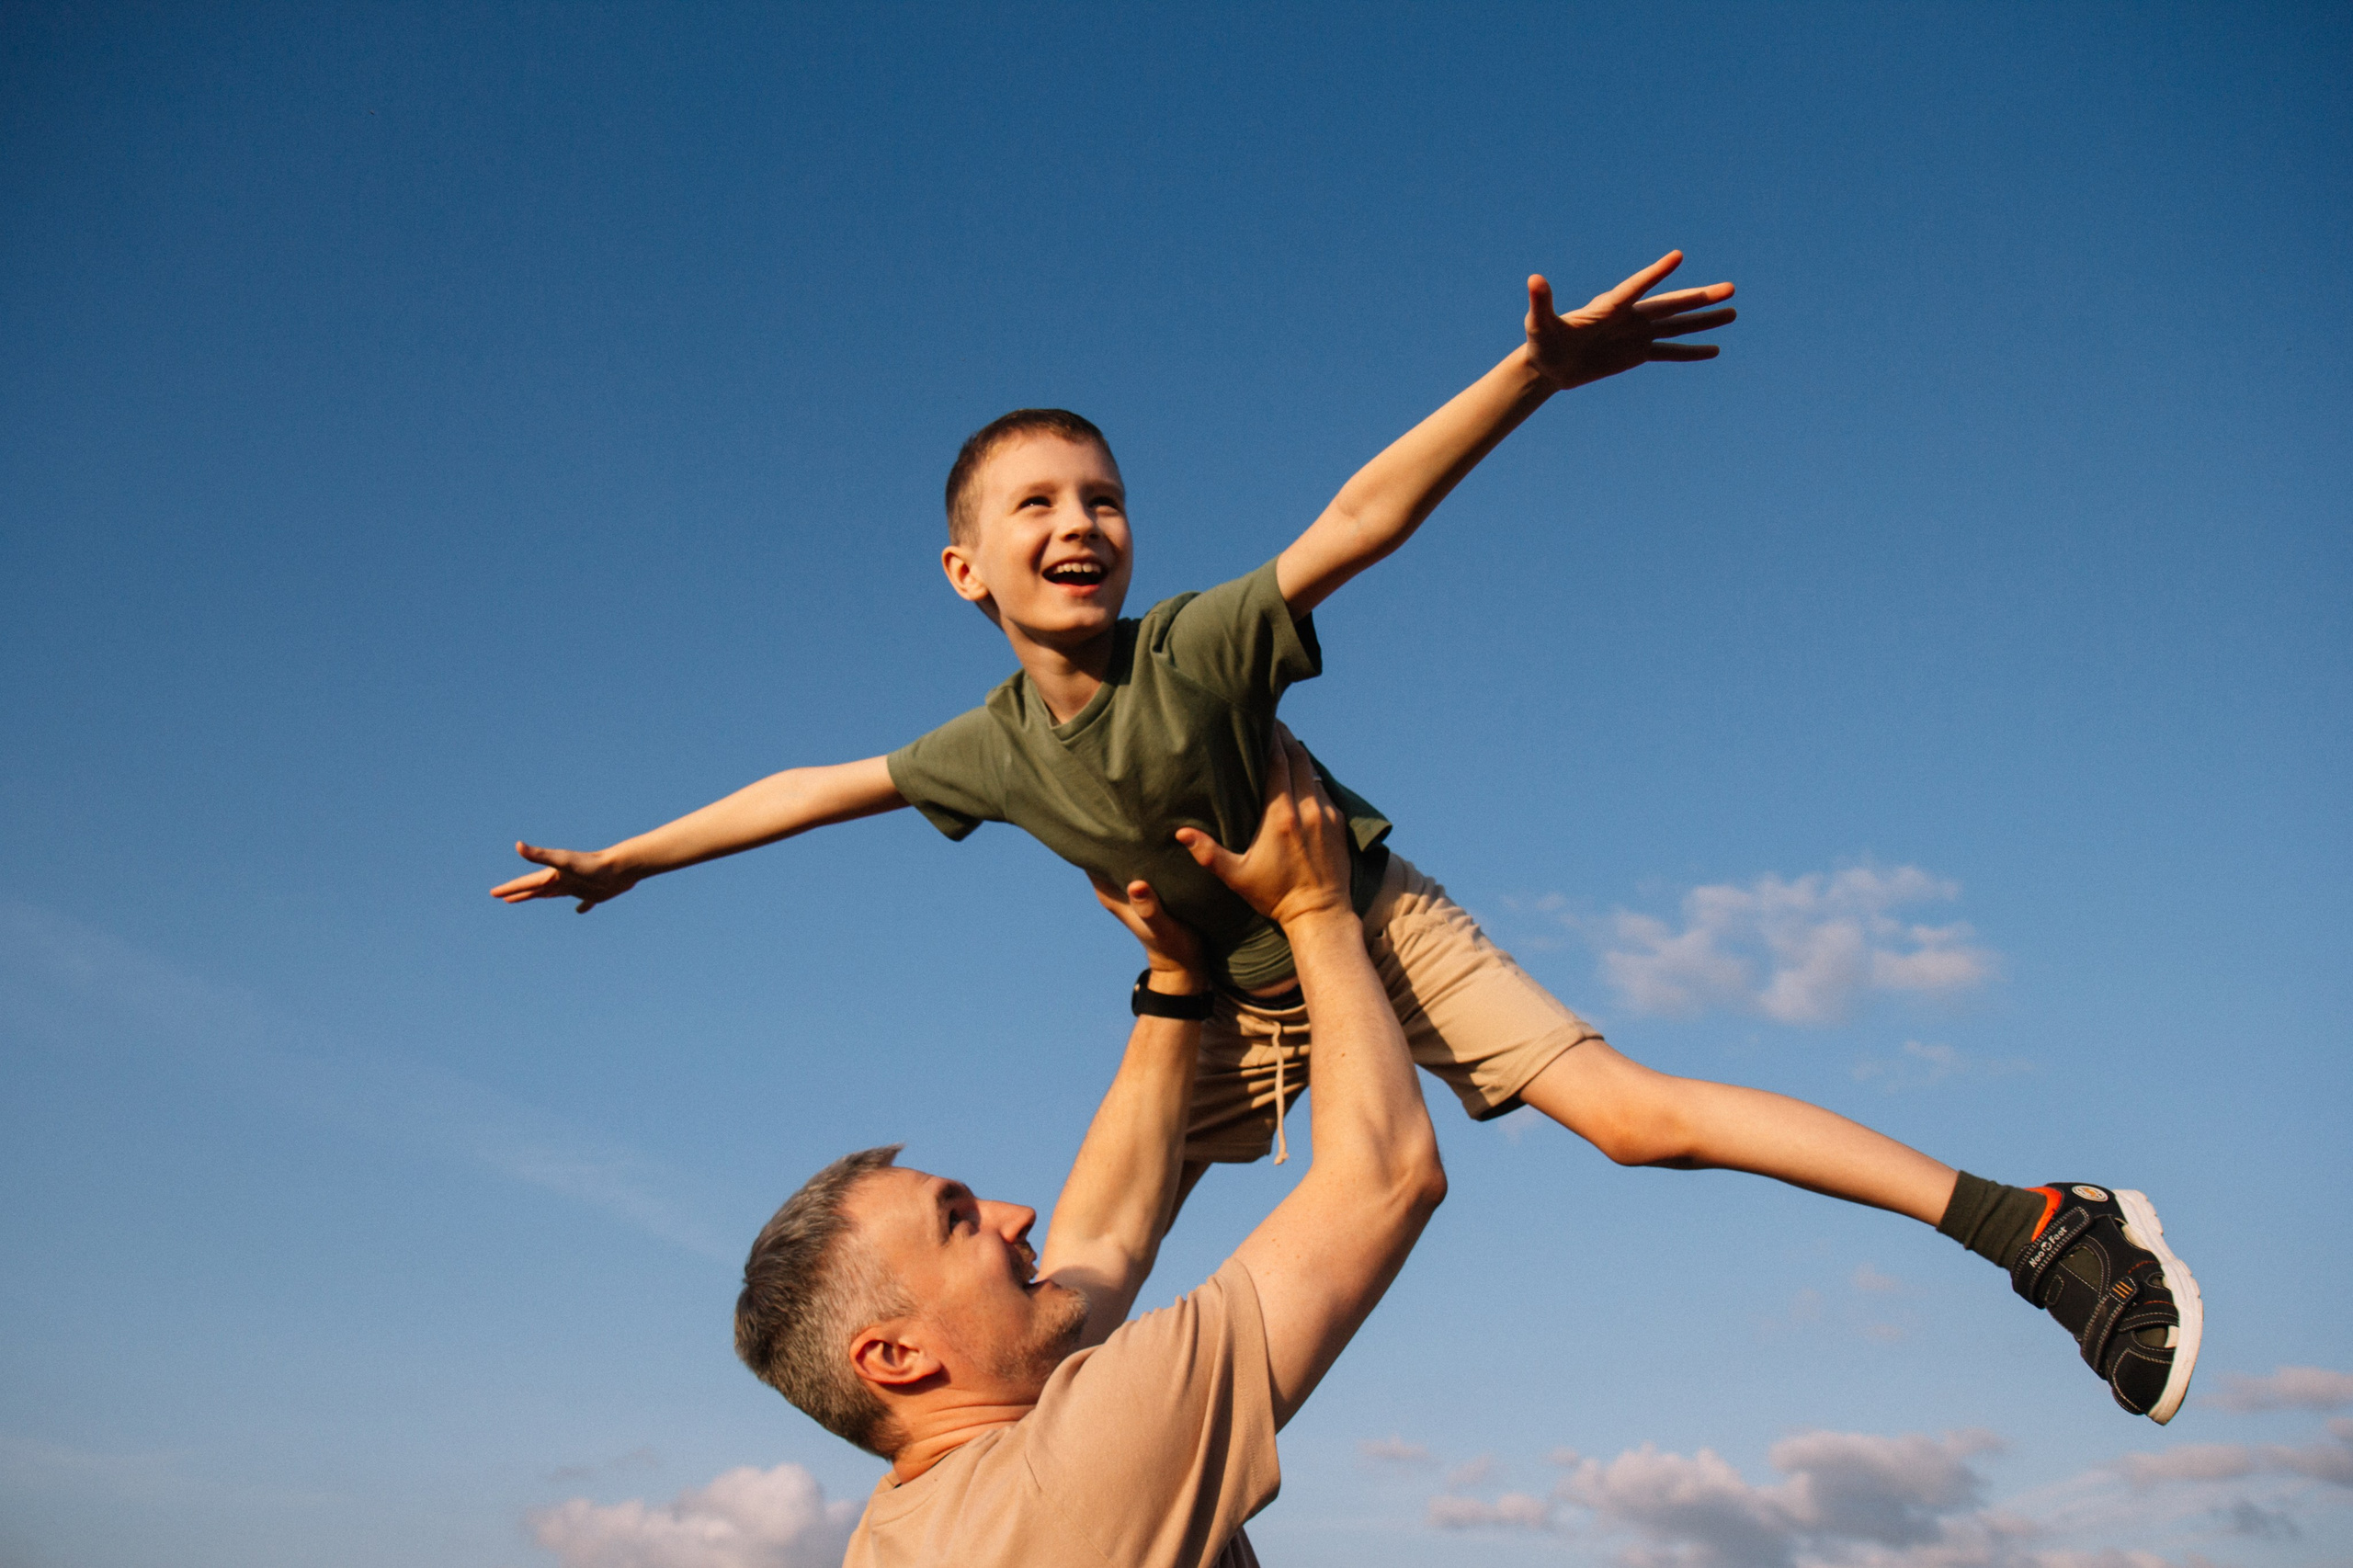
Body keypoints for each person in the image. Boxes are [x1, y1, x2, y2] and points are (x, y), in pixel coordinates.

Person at [500, 250, 2201, 1423]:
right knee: (1092, 1263)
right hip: (1219, 992)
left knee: (1632, 1121)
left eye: (1101, 498)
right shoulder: (986, 748)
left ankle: (2039, 1226)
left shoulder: (1197, 647)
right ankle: (1039, 1466)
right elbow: (812, 789)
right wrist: (632, 859)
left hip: (1362, 919)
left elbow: (1357, 518)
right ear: (968, 570)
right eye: (1036, 506)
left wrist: (1528, 378)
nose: (1079, 523)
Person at [735, 732, 1446, 1566]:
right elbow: (1386, 1180)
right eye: (958, 1222)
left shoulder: (911, 1530)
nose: (1016, 1215)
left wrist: (1175, 988)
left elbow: (1103, 1240)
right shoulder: (1068, 1474)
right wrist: (1317, 912)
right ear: (896, 1356)